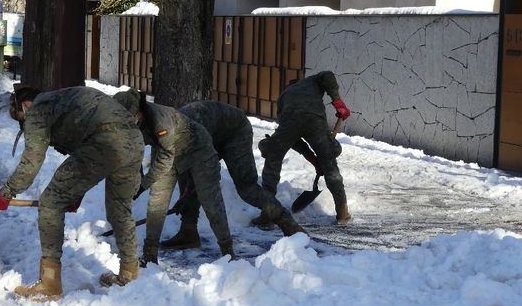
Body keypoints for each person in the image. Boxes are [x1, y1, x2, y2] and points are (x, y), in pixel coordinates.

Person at [0, 86, 145, 300]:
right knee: (120, 209)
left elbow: (32, 161)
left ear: (25, 105)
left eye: (21, 118)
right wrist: (74, 193)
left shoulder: (37, 111)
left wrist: (5, 193)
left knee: (50, 203)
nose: (24, 123)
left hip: (104, 141)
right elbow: (84, 146)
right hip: (134, 140)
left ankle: (49, 285)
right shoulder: (62, 99)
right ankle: (129, 275)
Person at [160, 101, 304, 250]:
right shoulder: (165, 131)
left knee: (247, 187)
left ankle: (289, 224)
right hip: (212, 132)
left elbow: (208, 167)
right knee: (185, 174)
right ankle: (188, 232)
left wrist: (191, 188)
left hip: (235, 131)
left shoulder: (190, 129)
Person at [113, 88, 234, 266]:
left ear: (138, 111)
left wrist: (143, 185)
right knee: (156, 204)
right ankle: (149, 255)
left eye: (130, 116)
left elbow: (164, 161)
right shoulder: (124, 121)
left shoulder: (160, 120)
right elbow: (132, 150)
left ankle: (228, 253)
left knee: (211, 202)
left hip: (197, 151)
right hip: (167, 151)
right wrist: (136, 180)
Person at [257, 71, 352, 224]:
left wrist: (312, 158)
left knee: (272, 160)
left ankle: (267, 214)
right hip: (314, 120)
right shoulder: (312, 81)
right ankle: (342, 213)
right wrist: (338, 102)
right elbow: (327, 75)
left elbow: (292, 139)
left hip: (289, 122)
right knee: (330, 164)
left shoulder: (283, 97)